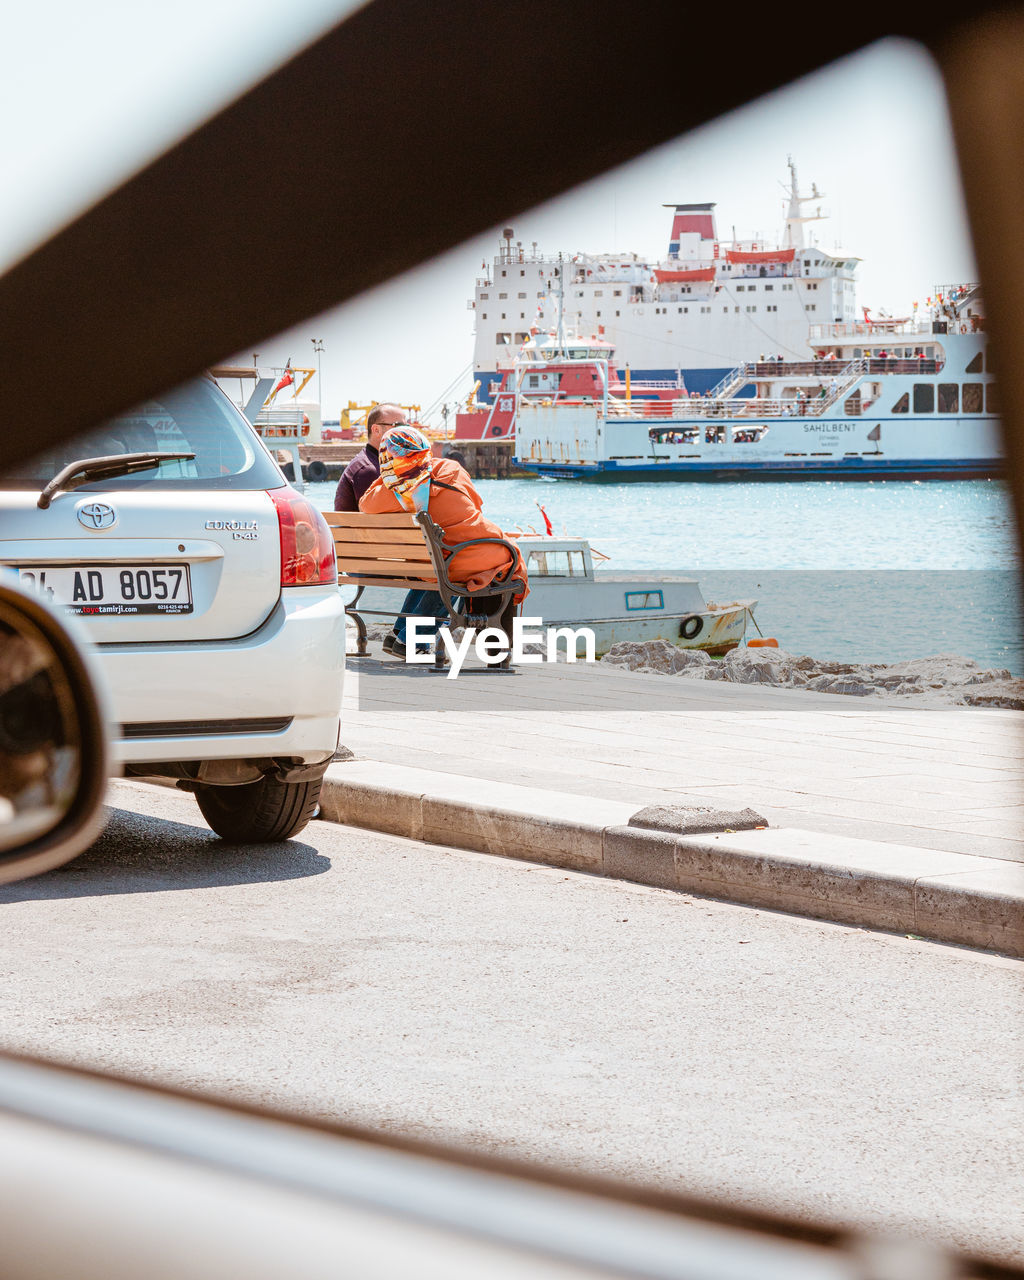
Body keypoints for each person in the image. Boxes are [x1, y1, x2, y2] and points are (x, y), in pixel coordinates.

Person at [360, 425, 529, 658]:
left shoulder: (392, 493)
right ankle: (411, 641)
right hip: (461, 556)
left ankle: (401, 634)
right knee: (510, 563)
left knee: (439, 564)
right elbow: (477, 506)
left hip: (434, 560)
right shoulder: (451, 468)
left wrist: (389, 473)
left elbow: (364, 504)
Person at [333, 402, 407, 511]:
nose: (405, 432)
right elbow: (380, 519)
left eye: (407, 426)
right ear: (376, 430)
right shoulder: (368, 469)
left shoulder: (372, 462)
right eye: (399, 426)